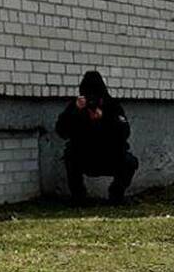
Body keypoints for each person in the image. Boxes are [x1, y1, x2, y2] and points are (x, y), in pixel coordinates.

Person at [55, 70, 138, 205]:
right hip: (84, 156)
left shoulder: (111, 106)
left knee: (130, 162)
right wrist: (76, 111)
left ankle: (116, 195)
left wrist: (105, 119)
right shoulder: (76, 107)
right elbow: (61, 131)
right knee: (69, 155)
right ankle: (78, 197)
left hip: (109, 156)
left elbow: (125, 132)